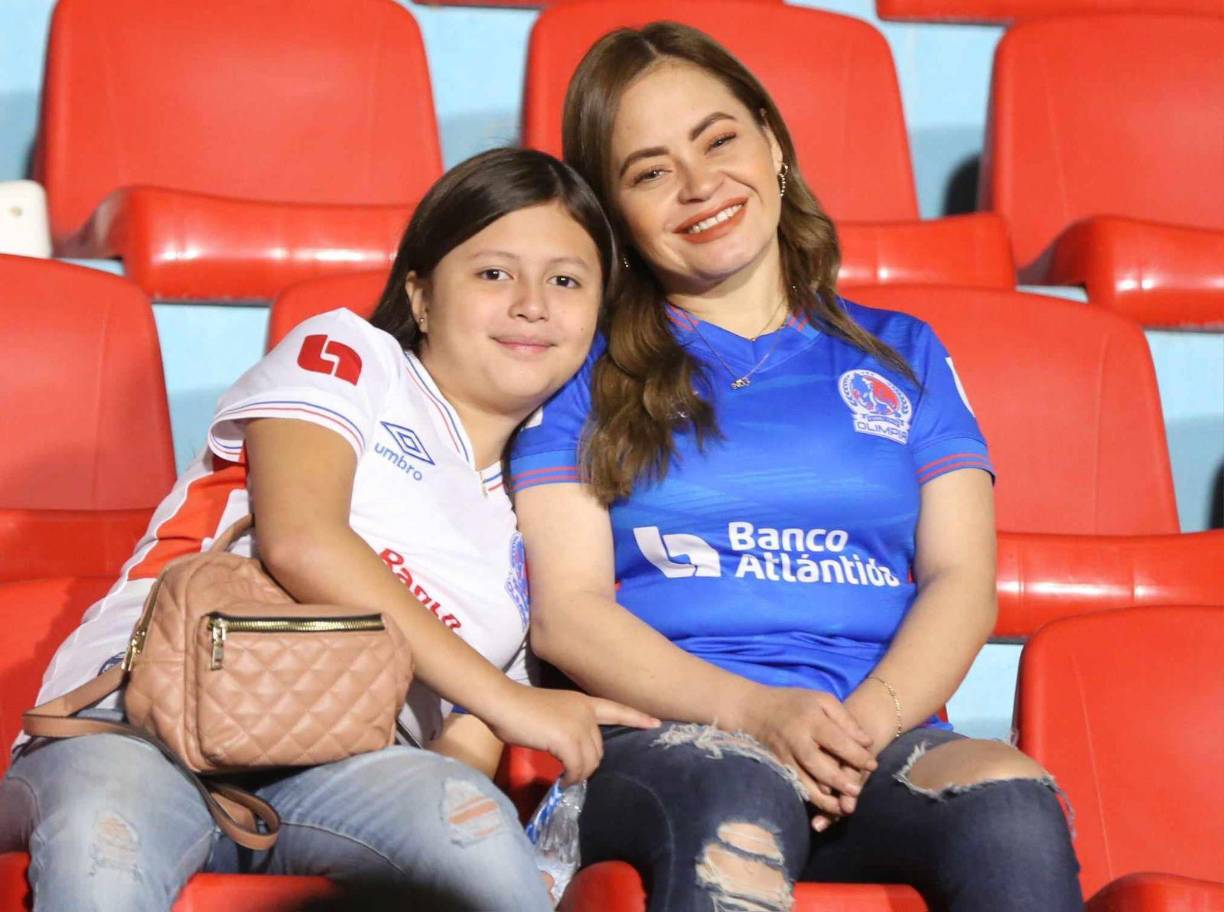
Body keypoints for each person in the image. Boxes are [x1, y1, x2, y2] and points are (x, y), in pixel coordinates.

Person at [509, 23, 1082, 912]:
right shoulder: (580, 365)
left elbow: (963, 578)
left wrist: (864, 728)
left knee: (1009, 804)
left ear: (772, 143)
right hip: (667, 744)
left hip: (872, 740)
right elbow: (568, 616)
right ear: (613, 213)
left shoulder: (905, 354)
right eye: (651, 171)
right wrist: (755, 713)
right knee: (739, 795)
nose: (700, 186)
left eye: (719, 140)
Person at [0, 147, 656, 912]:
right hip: (136, 730)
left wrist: (469, 776)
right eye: (493, 273)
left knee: (469, 827)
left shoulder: (543, 503)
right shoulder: (347, 353)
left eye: (567, 281)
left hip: (341, 776)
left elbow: (465, 745)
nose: (532, 304)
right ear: (420, 293)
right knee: (103, 837)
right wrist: (517, 708)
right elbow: (301, 539)